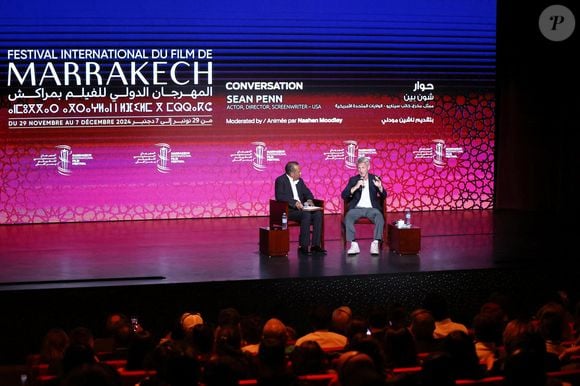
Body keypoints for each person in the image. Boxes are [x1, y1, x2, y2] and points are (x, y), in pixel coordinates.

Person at [275, 161, 325, 255]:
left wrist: (309, 200)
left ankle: (315, 246)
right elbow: (280, 196)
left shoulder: (300, 181)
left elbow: (308, 193)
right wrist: (294, 203)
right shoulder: (280, 180)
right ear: (292, 173)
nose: (300, 173)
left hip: (302, 209)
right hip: (289, 210)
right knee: (305, 214)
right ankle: (303, 246)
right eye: (299, 171)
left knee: (318, 214)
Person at [341, 156, 386, 255]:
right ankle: (353, 244)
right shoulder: (353, 180)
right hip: (357, 208)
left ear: (368, 167)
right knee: (348, 217)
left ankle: (375, 243)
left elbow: (384, 195)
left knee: (379, 216)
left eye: (363, 168)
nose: (361, 170)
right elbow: (344, 195)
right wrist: (356, 186)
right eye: (359, 168)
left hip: (371, 209)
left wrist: (380, 187)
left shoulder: (375, 179)